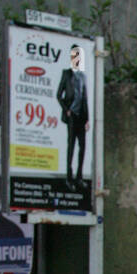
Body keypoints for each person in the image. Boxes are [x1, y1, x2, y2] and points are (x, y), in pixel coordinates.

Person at [57, 46, 89, 188]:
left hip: (81, 116)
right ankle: (69, 178)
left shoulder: (83, 76)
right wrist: (66, 110)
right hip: (72, 116)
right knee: (71, 146)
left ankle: (79, 177)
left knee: (82, 147)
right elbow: (59, 95)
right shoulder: (66, 74)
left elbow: (85, 98)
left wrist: (87, 118)